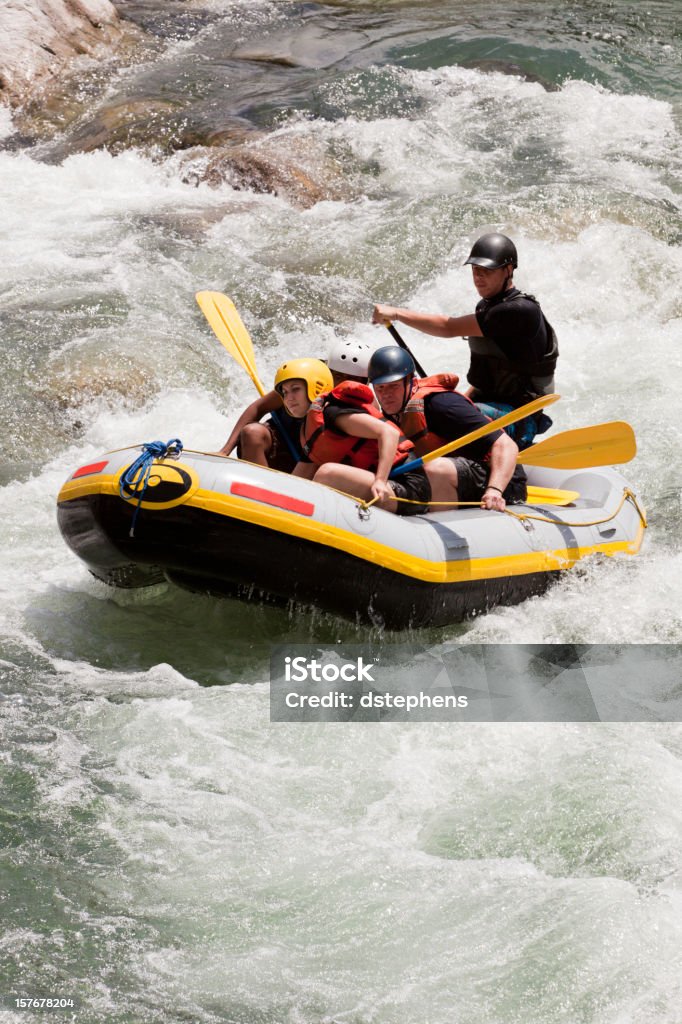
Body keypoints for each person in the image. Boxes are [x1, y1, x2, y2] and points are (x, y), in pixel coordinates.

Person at [372, 232, 558, 448]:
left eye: (486, 271)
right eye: (475, 270)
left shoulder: (517, 310)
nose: (478, 277)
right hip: (490, 406)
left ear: (508, 270)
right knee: (417, 403)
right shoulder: (487, 306)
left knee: (434, 413)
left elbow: (448, 327)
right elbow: (485, 379)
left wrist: (396, 313)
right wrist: (458, 400)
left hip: (518, 418)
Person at [366, 346, 527, 512]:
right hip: (455, 478)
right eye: (380, 388)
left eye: (393, 386)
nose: (386, 395)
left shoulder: (443, 404)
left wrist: (495, 489)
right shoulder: (391, 412)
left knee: (435, 469)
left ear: (412, 383)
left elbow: (506, 445)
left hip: (501, 483)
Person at [215, 338, 383, 469]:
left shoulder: (367, 405)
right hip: (278, 447)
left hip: (313, 464)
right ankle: (258, 492)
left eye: (352, 380)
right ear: (327, 371)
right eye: (338, 376)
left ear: (365, 382)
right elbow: (258, 407)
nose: (344, 384)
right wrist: (225, 451)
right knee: (252, 433)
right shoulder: (305, 382)